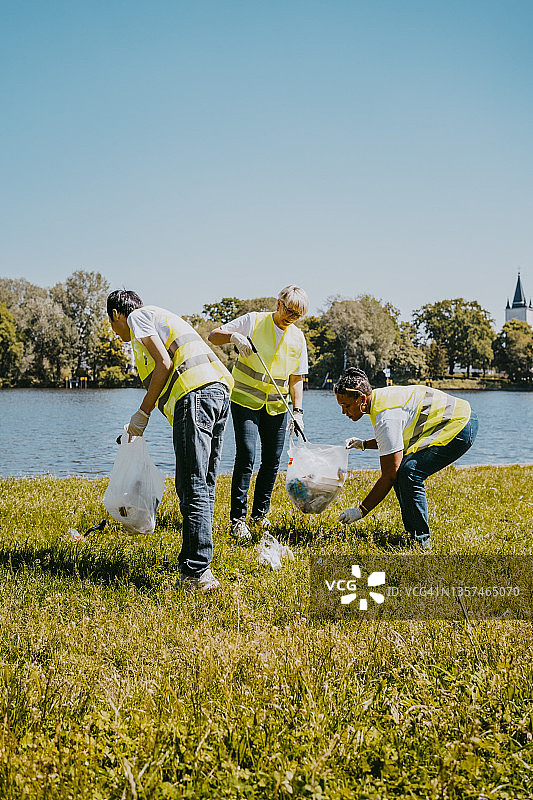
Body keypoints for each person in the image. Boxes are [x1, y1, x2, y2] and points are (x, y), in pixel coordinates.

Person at [107, 290, 233, 592]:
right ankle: (199, 565)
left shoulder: (137, 317)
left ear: (115, 315)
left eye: (111, 323)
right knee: (204, 483)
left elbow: (163, 363)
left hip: (196, 395)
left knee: (192, 485)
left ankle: (196, 574)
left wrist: (142, 415)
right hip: (219, 393)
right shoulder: (158, 318)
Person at [334, 367, 478, 549]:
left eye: (346, 406)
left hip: (460, 425)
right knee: (404, 470)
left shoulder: (385, 415)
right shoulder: (377, 400)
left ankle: (421, 542)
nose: (343, 412)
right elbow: (392, 441)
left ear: (362, 399)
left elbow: (389, 475)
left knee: (409, 472)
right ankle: (414, 534)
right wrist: (363, 444)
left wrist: (361, 511)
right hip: (458, 419)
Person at [208, 285, 309, 542]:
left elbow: (296, 379)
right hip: (245, 401)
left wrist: (297, 412)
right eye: (288, 311)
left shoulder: (298, 338)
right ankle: (237, 520)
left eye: (297, 315)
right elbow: (213, 335)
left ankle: (259, 515)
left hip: (276, 407)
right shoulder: (253, 321)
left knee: (273, 460)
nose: (291, 318)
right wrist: (233, 338)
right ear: (278, 304)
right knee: (247, 455)